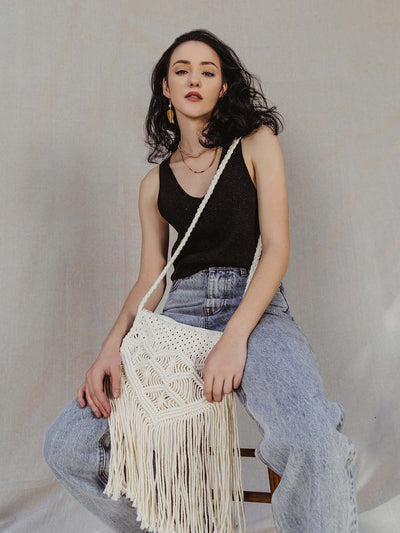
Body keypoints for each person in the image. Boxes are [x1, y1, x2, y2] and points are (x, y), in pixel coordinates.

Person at [43, 29, 359, 532]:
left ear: (222, 88)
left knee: (310, 437)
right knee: (66, 446)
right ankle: (176, 523)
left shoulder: (256, 143)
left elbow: (276, 248)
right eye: (182, 70)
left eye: (208, 71)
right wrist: (109, 349)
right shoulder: (154, 185)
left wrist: (234, 340)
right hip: (180, 315)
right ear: (165, 88)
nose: (195, 79)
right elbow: (152, 279)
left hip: (255, 307)